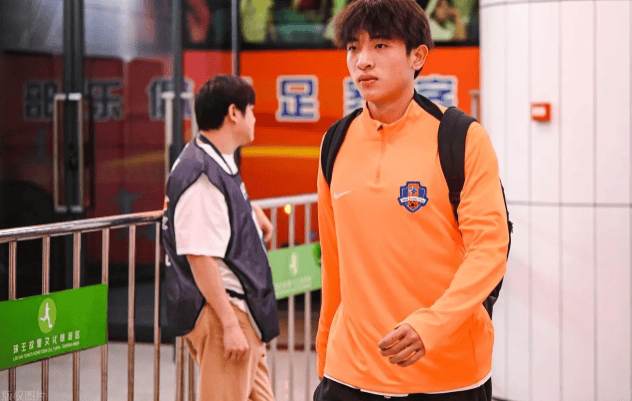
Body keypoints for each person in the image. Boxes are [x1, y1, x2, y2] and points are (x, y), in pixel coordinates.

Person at [314, 0, 509, 400]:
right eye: (353, 47)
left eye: (380, 45)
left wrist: (431, 326)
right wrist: (325, 358)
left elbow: (489, 249)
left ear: (417, 56)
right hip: (348, 375)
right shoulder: (335, 142)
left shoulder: (461, 138)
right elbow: (333, 263)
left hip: (447, 376)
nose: (363, 61)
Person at [162, 75, 279, 401]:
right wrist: (229, 324)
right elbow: (199, 256)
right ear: (234, 113)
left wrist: (248, 210)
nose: (254, 119)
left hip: (242, 314)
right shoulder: (201, 174)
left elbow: (215, 213)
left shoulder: (214, 160)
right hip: (225, 312)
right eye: (251, 110)